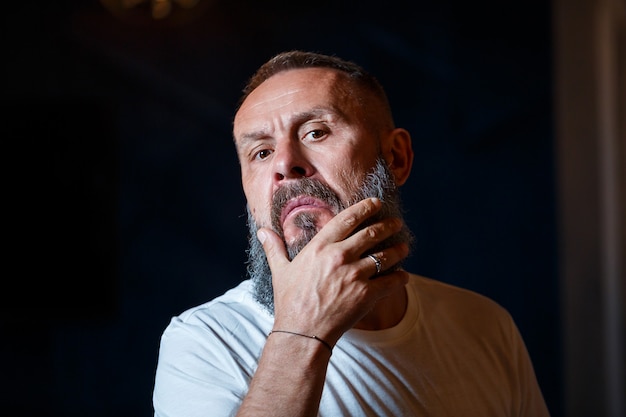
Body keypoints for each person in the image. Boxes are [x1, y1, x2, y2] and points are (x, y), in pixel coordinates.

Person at [152, 50, 550, 417]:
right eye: (261, 152)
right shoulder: (204, 343)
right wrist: (303, 331)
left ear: (395, 158)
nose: (285, 164)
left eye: (316, 132)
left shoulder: (485, 326)